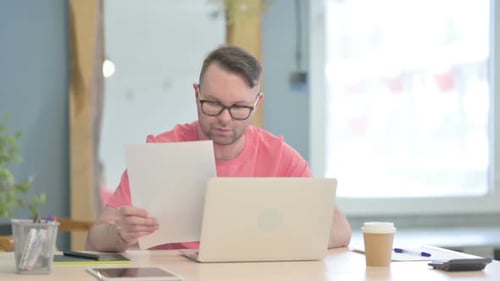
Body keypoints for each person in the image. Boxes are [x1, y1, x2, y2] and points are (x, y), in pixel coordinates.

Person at [86, 45, 352, 252]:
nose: (225, 118)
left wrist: (270, 241)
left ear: (257, 102)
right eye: (212, 104)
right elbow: (95, 237)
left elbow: (340, 228)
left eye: (238, 107)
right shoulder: (161, 151)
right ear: (196, 94)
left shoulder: (278, 155)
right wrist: (118, 234)